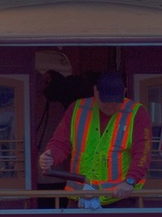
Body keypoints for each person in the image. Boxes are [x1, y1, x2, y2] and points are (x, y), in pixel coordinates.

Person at [38, 70, 150, 206]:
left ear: (124, 92)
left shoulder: (136, 112)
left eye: (115, 102)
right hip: (79, 196)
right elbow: (60, 143)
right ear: (95, 92)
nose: (110, 106)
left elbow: (143, 152)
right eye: (105, 100)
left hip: (119, 197)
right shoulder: (77, 109)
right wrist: (50, 156)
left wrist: (130, 181)